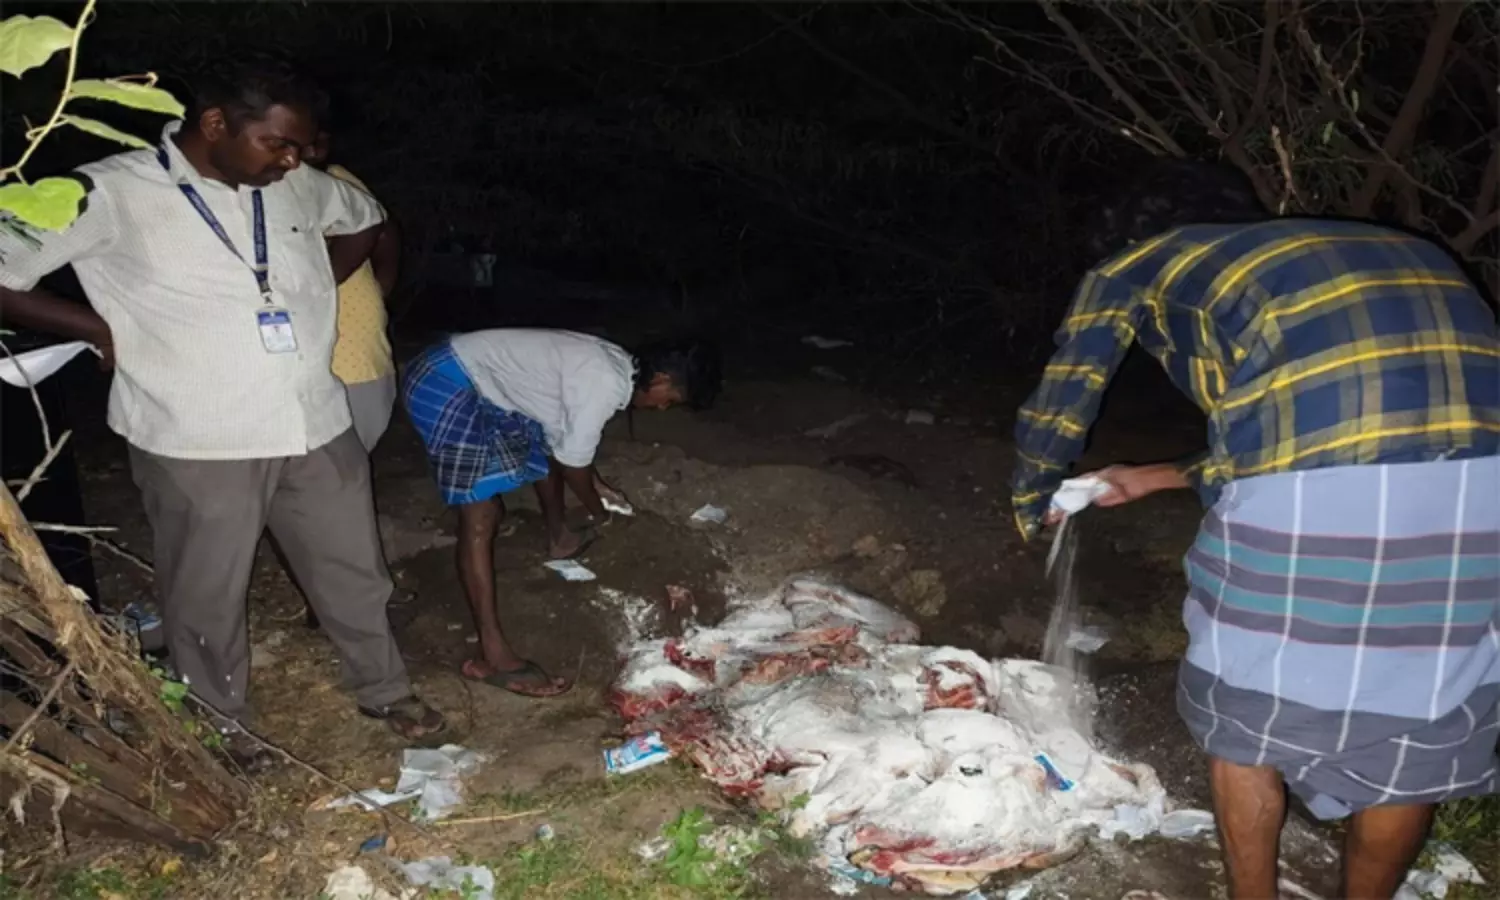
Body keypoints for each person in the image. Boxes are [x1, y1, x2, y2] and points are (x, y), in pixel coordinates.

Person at [1011, 160, 1498, 900]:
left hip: (1311, 497)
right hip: (1484, 497)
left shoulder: (1142, 262)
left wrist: (1032, 501)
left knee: (1249, 711)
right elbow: (1317, 431)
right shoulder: (1384, 252)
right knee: (1417, 708)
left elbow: (1066, 395)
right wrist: (1150, 476)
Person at [0, 60, 446, 762]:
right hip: (198, 436)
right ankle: (222, 727)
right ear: (215, 125)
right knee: (206, 594)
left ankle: (384, 688)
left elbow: (365, 218)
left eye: (298, 145)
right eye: (278, 143)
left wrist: (318, 287)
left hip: (315, 420)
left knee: (354, 571)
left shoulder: (295, 184)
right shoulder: (110, 191)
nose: (294, 159)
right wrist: (97, 329)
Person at [401, 328, 722, 696]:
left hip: (478, 378)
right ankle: (493, 654)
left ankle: (561, 538)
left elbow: (561, 439)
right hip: (444, 381)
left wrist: (596, 485)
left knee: (540, 448)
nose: (663, 407)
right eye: (672, 399)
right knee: (481, 514)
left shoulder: (615, 366)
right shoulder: (604, 383)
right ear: (662, 379)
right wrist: (599, 511)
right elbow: (573, 463)